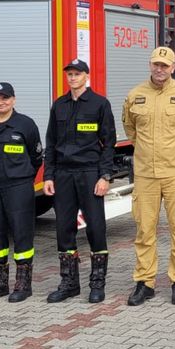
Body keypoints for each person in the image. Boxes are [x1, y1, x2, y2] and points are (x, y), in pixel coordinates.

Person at [122, 46, 175, 306]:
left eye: (164, 65)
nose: (160, 69)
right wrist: (145, 150)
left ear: (173, 68)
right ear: (150, 65)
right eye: (156, 64)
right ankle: (144, 282)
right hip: (145, 174)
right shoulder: (135, 95)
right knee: (144, 230)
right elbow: (130, 128)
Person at [43, 59, 117, 304]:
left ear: (86, 76)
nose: (73, 78)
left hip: (89, 173)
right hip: (63, 174)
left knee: (96, 228)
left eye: (77, 74)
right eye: (70, 74)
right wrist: (48, 175)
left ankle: (97, 284)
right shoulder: (59, 105)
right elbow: (51, 143)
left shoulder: (99, 104)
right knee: (64, 228)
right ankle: (69, 284)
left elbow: (109, 144)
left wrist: (105, 176)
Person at [0, 82, 43, 303]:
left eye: (5, 98)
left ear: (13, 100)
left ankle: (23, 285)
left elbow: (36, 157)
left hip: (18, 187)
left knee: (22, 234)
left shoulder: (25, 124)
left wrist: (23, 177)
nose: (1, 102)